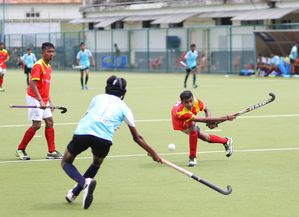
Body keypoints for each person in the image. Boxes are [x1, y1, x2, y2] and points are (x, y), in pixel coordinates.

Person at [61, 75, 162, 209]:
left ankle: (83, 184)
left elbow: (89, 117)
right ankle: (74, 193)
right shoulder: (125, 108)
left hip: (83, 132)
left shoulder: (97, 97)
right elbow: (137, 137)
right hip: (103, 139)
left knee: (66, 162)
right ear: (123, 93)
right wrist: (153, 153)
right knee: (97, 163)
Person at [14, 42, 63, 160]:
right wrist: (40, 100)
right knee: (37, 125)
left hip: (43, 98)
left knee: (50, 122)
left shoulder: (49, 67)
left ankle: (51, 152)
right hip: (34, 97)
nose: (51, 54)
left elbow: (44, 86)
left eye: (52, 52)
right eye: (48, 52)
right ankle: (20, 150)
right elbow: (33, 84)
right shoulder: (38, 65)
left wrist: (49, 101)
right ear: (42, 53)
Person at [171, 90, 236, 167]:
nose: (190, 104)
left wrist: (209, 121)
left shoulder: (196, 101)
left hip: (191, 120)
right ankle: (193, 157)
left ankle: (226, 141)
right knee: (198, 130)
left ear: (193, 98)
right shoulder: (181, 112)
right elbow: (204, 120)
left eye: (191, 101)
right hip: (182, 124)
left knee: (204, 136)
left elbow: (206, 109)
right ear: (182, 102)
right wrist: (227, 117)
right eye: (186, 102)